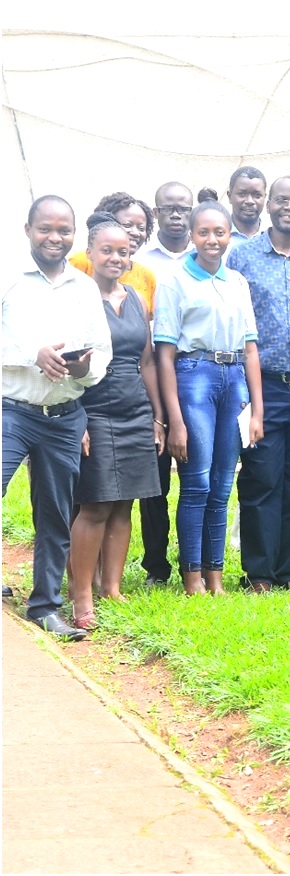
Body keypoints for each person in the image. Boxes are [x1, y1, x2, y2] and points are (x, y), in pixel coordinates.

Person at [2, 196, 111, 640]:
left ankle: (45, 606)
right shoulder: (8, 277)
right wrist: (34, 355)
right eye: (46, 229)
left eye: (64, 230)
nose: (55, 238)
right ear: (27, 229)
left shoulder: (84, 287)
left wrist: (84, 368)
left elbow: (101, 352)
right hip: (12, 410)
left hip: (65, 416)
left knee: (55, 515)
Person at [226, 176, 290, 594]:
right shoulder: (242, 259)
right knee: (261, 477)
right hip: (262, 385)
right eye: (283, 200)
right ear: (269, 205)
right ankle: (259, 573)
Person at [153, 202, 263, 597]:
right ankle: (192, 576)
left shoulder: (237, 281)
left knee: (222, 483)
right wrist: (175, 420)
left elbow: (251, 348)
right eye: (204, 232)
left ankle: (215, 576)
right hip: (194, 377)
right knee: (196, 482)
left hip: (234, 380)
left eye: (220, 232)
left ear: (230, 236)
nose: (212, 240)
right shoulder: (174, 281)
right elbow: (164, 354)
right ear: (193, 235)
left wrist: (257, 410)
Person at [67, 215, 164, 629]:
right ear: (90, 254)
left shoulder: (137, 300)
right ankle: (81, 596)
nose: (115, 257)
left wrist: (157, 416)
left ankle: (113, 587)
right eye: (107, 250)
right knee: (96, 505)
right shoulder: (77, 299)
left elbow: (146, 361)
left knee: (125, 504)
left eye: (122, 251)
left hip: (135, 409)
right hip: (95, 408)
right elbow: (72, 364)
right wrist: (78, 420)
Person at [135, 181, 195, 587]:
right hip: (149, 379)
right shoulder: (138, 263)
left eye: (183, 208)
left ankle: (195, 559)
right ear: (156, 213)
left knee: (196, 478)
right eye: (168, 208)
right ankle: (156, 565)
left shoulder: (205, 257)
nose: (176, 214)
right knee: (154, 481)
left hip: (196, 378)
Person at [69, 192, 158, 314]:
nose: (136, 232)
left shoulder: (147, 276)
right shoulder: (82, 261)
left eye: (141, 228)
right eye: (127, 225)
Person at [226, 166, 267, 242]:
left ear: (264, 197)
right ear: (229, 196)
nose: (250, 201)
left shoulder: (272, 238)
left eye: (257, 195)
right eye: (242, 194)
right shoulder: (217, 239)